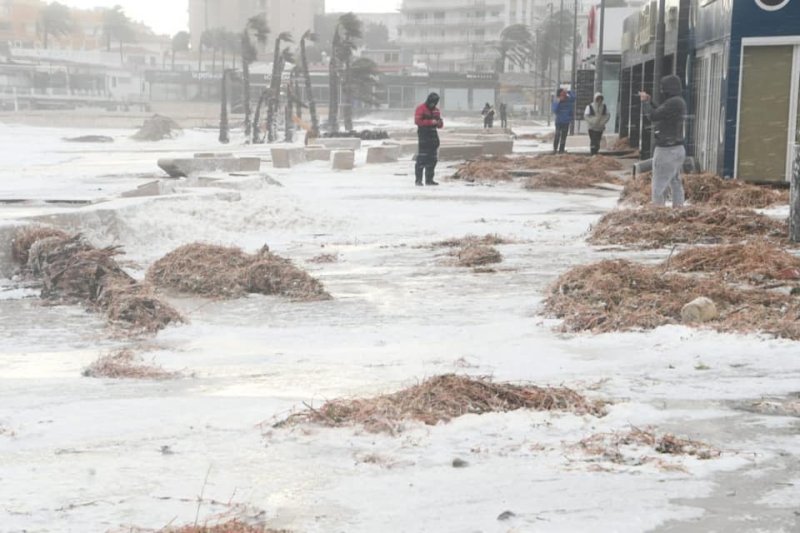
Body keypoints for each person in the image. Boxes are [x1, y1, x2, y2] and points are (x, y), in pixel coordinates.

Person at [639, 74, 686, 207]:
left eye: (663, 87)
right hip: (677, 148)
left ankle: (657, 210)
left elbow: (653, 116)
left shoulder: (673, 102)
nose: (661, 90)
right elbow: (662, 112)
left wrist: (645, 102)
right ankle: (679, 208)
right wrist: (651, 102)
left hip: (667, 149)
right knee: (675, 181)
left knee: (658, 184)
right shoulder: (679, 101)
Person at [415, 92, 444, 186]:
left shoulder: (436, 111)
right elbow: (418, 121)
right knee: (422, 159)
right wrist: (430, 122)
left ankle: (429, 179)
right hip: (424, 135)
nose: (433, 104)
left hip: (433, 136)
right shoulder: (421, 108)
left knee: (433, 159)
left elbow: (440, 125)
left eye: (435, 103)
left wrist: (439, 123)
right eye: (432, 102)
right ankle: (418, 180)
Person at [551, 88, 576, 154]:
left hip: (566, 121)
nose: (564, 94)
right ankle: (555, 149)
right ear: (559, 94)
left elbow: (574, 97)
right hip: (559, 121)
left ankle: (561, 149)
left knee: (564, 136)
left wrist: (568, 91)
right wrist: (559, 101)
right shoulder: (557, 100)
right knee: (557, 135)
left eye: (564, 93)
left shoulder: (568, 99)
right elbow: (554, 110)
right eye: (562, 93)